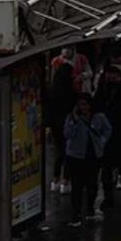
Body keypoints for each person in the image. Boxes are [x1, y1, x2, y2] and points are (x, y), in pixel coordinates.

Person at [63, 94, 112, 227]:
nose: (82, 107)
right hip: (76, 156)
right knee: (77, 187)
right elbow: (67, 134)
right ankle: (76, 214)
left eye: (85, 104)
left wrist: (101, 142)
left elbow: (108, 129)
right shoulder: (72, 118)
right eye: (80, 105)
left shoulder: (99, 117)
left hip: (93, 156)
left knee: (92, 184)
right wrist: (74, 119)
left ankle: (89, 208)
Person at [95, 64, 121, 208]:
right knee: (108, 169)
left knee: (120, 167)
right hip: (109, 136)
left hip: (119, 135)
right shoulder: (103, 91)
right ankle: (110, 196)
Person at [47, 62, 76, 195]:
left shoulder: (53, 91)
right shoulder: (70, 91)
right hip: (68, 124)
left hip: (55, 125)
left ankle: (55, 179)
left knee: (59, 152)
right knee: (68, 152)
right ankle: (66, 180)